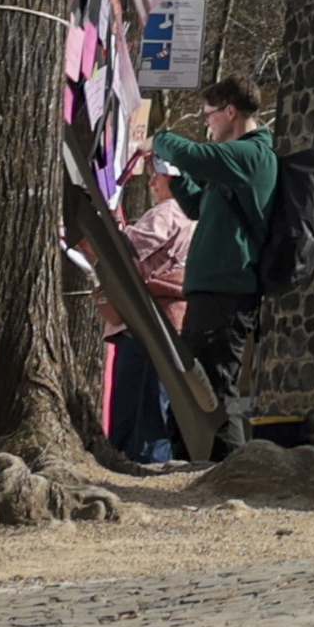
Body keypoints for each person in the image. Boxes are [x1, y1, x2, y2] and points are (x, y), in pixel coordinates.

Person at [148, 79, 281, 422]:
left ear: (230, 111)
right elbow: (198, 208)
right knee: (196, 395)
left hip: (227, 295)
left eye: (209, 115)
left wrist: (158, 139)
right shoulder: (235, 162)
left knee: (216, 397)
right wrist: (174, 179)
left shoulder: (251, 154)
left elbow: (191, 154)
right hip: (212, 292)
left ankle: (228, 471)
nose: (207, 122)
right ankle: (195, 466)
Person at [106, 161, 191, 462]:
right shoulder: (196, 215)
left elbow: (125, 250)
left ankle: (136, 465)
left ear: (169, 178)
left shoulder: (168, 212)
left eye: (155, 176)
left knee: (140, 409)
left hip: (148, 322)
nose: (151, 183)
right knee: (156, 407)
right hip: (174, 321)